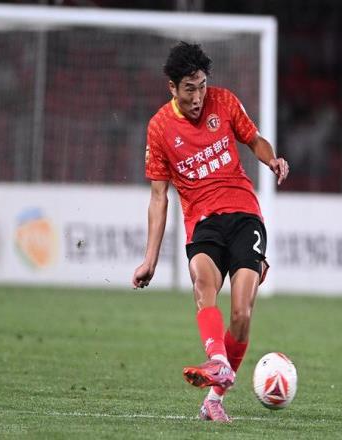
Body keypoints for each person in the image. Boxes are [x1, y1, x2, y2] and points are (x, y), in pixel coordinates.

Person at [132, 41, 289, 422]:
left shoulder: (225, 101)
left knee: (241, 313)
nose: (198, 97)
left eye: (202, 86)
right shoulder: (159, 128)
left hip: (244, 215)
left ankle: (214, 397)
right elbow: (158, 198)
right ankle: (217, 360)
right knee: (203, 284)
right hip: (202, 222)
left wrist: (271, 160)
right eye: (189, 88)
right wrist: (150, 259)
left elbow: (254, 139)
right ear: (172, 87)